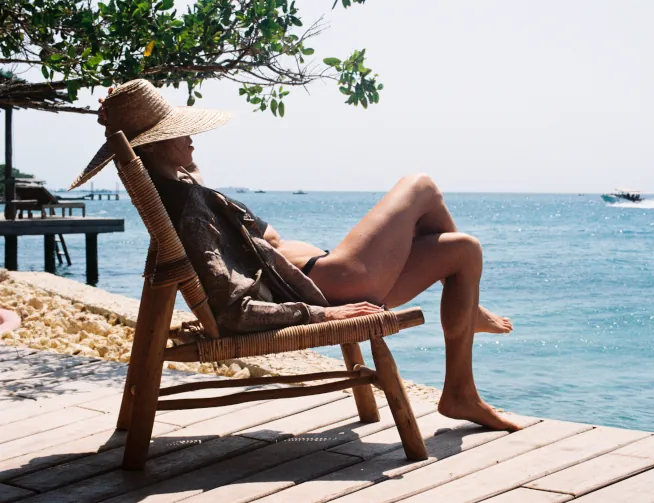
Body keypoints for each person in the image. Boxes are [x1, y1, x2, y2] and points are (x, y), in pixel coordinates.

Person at [71, 79, 521, 431]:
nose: (191, 138)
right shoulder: (191, 210)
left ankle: (460, 391)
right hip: (333, 284)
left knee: (463, 251)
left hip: (329, 276)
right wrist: (322, 316)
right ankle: (469, 311)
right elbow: (234, 309)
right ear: (152, 147)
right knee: (422, 184)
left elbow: (190, 188)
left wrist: (125, 126)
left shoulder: (183, 188)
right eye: (179, 133)